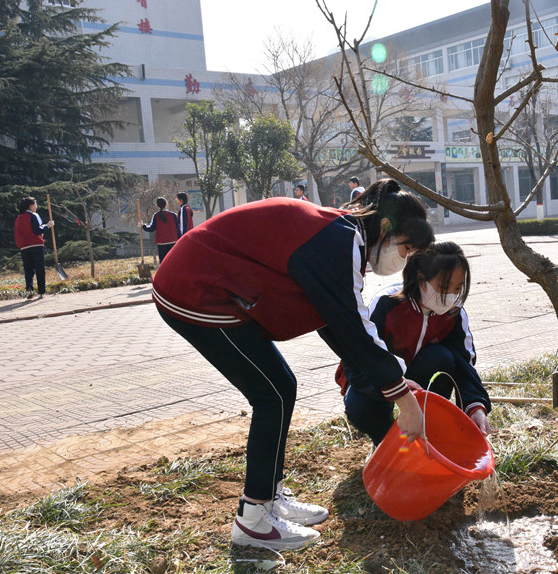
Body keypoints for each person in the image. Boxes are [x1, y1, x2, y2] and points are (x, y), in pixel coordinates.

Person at [151, 179, 434, 551]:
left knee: (280, 389)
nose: (404, 261)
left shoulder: (339, 236)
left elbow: (335, 323)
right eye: (407, 249)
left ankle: (269, 497)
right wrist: (403, 399)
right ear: (385, 229)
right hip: (195, 291)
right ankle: (253, 520)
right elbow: (352, 325)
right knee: (273, 395)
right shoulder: (339, 239)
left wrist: (389, 380)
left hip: (210, 285)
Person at [335, 241, 491, 446]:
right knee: (360, 409)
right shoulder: (387, 303)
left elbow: (464, 364)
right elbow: (359, 357)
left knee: (443, 357)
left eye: (457, 288)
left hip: (419, 376)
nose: (451, 295)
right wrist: (395, 386)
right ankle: (384, 442)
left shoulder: (454, 313)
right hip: (379, 379)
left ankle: (425, 433)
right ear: (421, 279)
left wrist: (475, 405)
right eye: (444, 287)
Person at [14, 197, 54, 299]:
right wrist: (48, 226)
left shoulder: (18, 218)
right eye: (35, 204)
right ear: (31, 206)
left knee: (28, 269)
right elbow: (37, 230)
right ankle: (41, 291)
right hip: (36, 245)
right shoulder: (33, 215)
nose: (36, 206)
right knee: (39, 268)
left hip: (24, 247)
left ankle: (30, 289)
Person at [140, 197, 180, 263]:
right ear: (166, 204)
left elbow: (151, 228)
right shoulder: (173, 215)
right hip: (173, 241)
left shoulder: (156, 215)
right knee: (173, 261)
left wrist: (143, 226)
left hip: (162, 243)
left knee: (163, 262)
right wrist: (179, 239)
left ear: (157, 206)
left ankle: (164, 273)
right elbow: (178, 228)